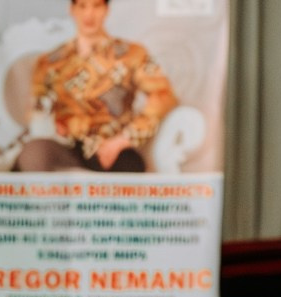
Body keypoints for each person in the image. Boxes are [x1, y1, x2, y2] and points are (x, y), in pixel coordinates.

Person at [17, 0, 178, 173]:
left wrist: (123, 140)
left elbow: (163, 97)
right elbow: (36, 109)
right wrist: (49, 124)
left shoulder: (131, 54)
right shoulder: (50, 62)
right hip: (66, 148)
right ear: (71, 9)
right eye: (82, 6)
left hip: (113, 150)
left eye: (96, 6)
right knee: (34, 153)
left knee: (129, 168)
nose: (89, 14)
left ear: (106, 9)